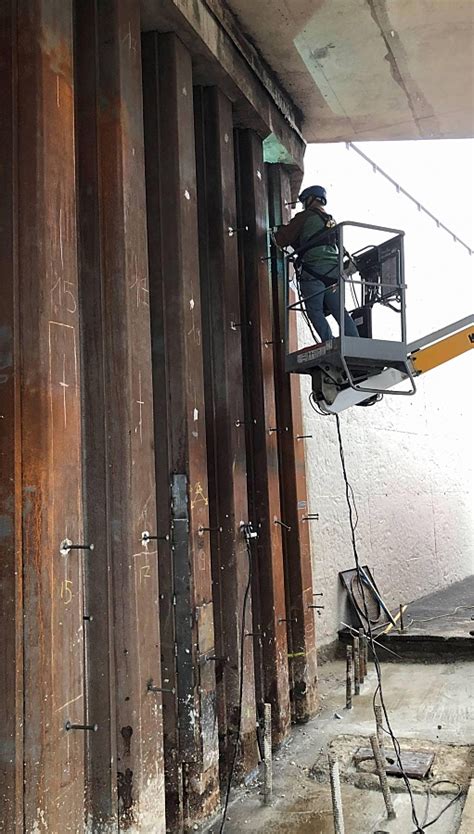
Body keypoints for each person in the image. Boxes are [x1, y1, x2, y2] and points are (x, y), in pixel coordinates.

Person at [274, 184, 359, 343]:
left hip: (313, 273)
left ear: (309, 200)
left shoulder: (305, 217)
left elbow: (282, 239)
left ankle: (329, 342)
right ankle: (355, 342)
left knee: (315, 311)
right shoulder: (332, 222)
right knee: (340, 311)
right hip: (335, 274)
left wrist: (276, 232)